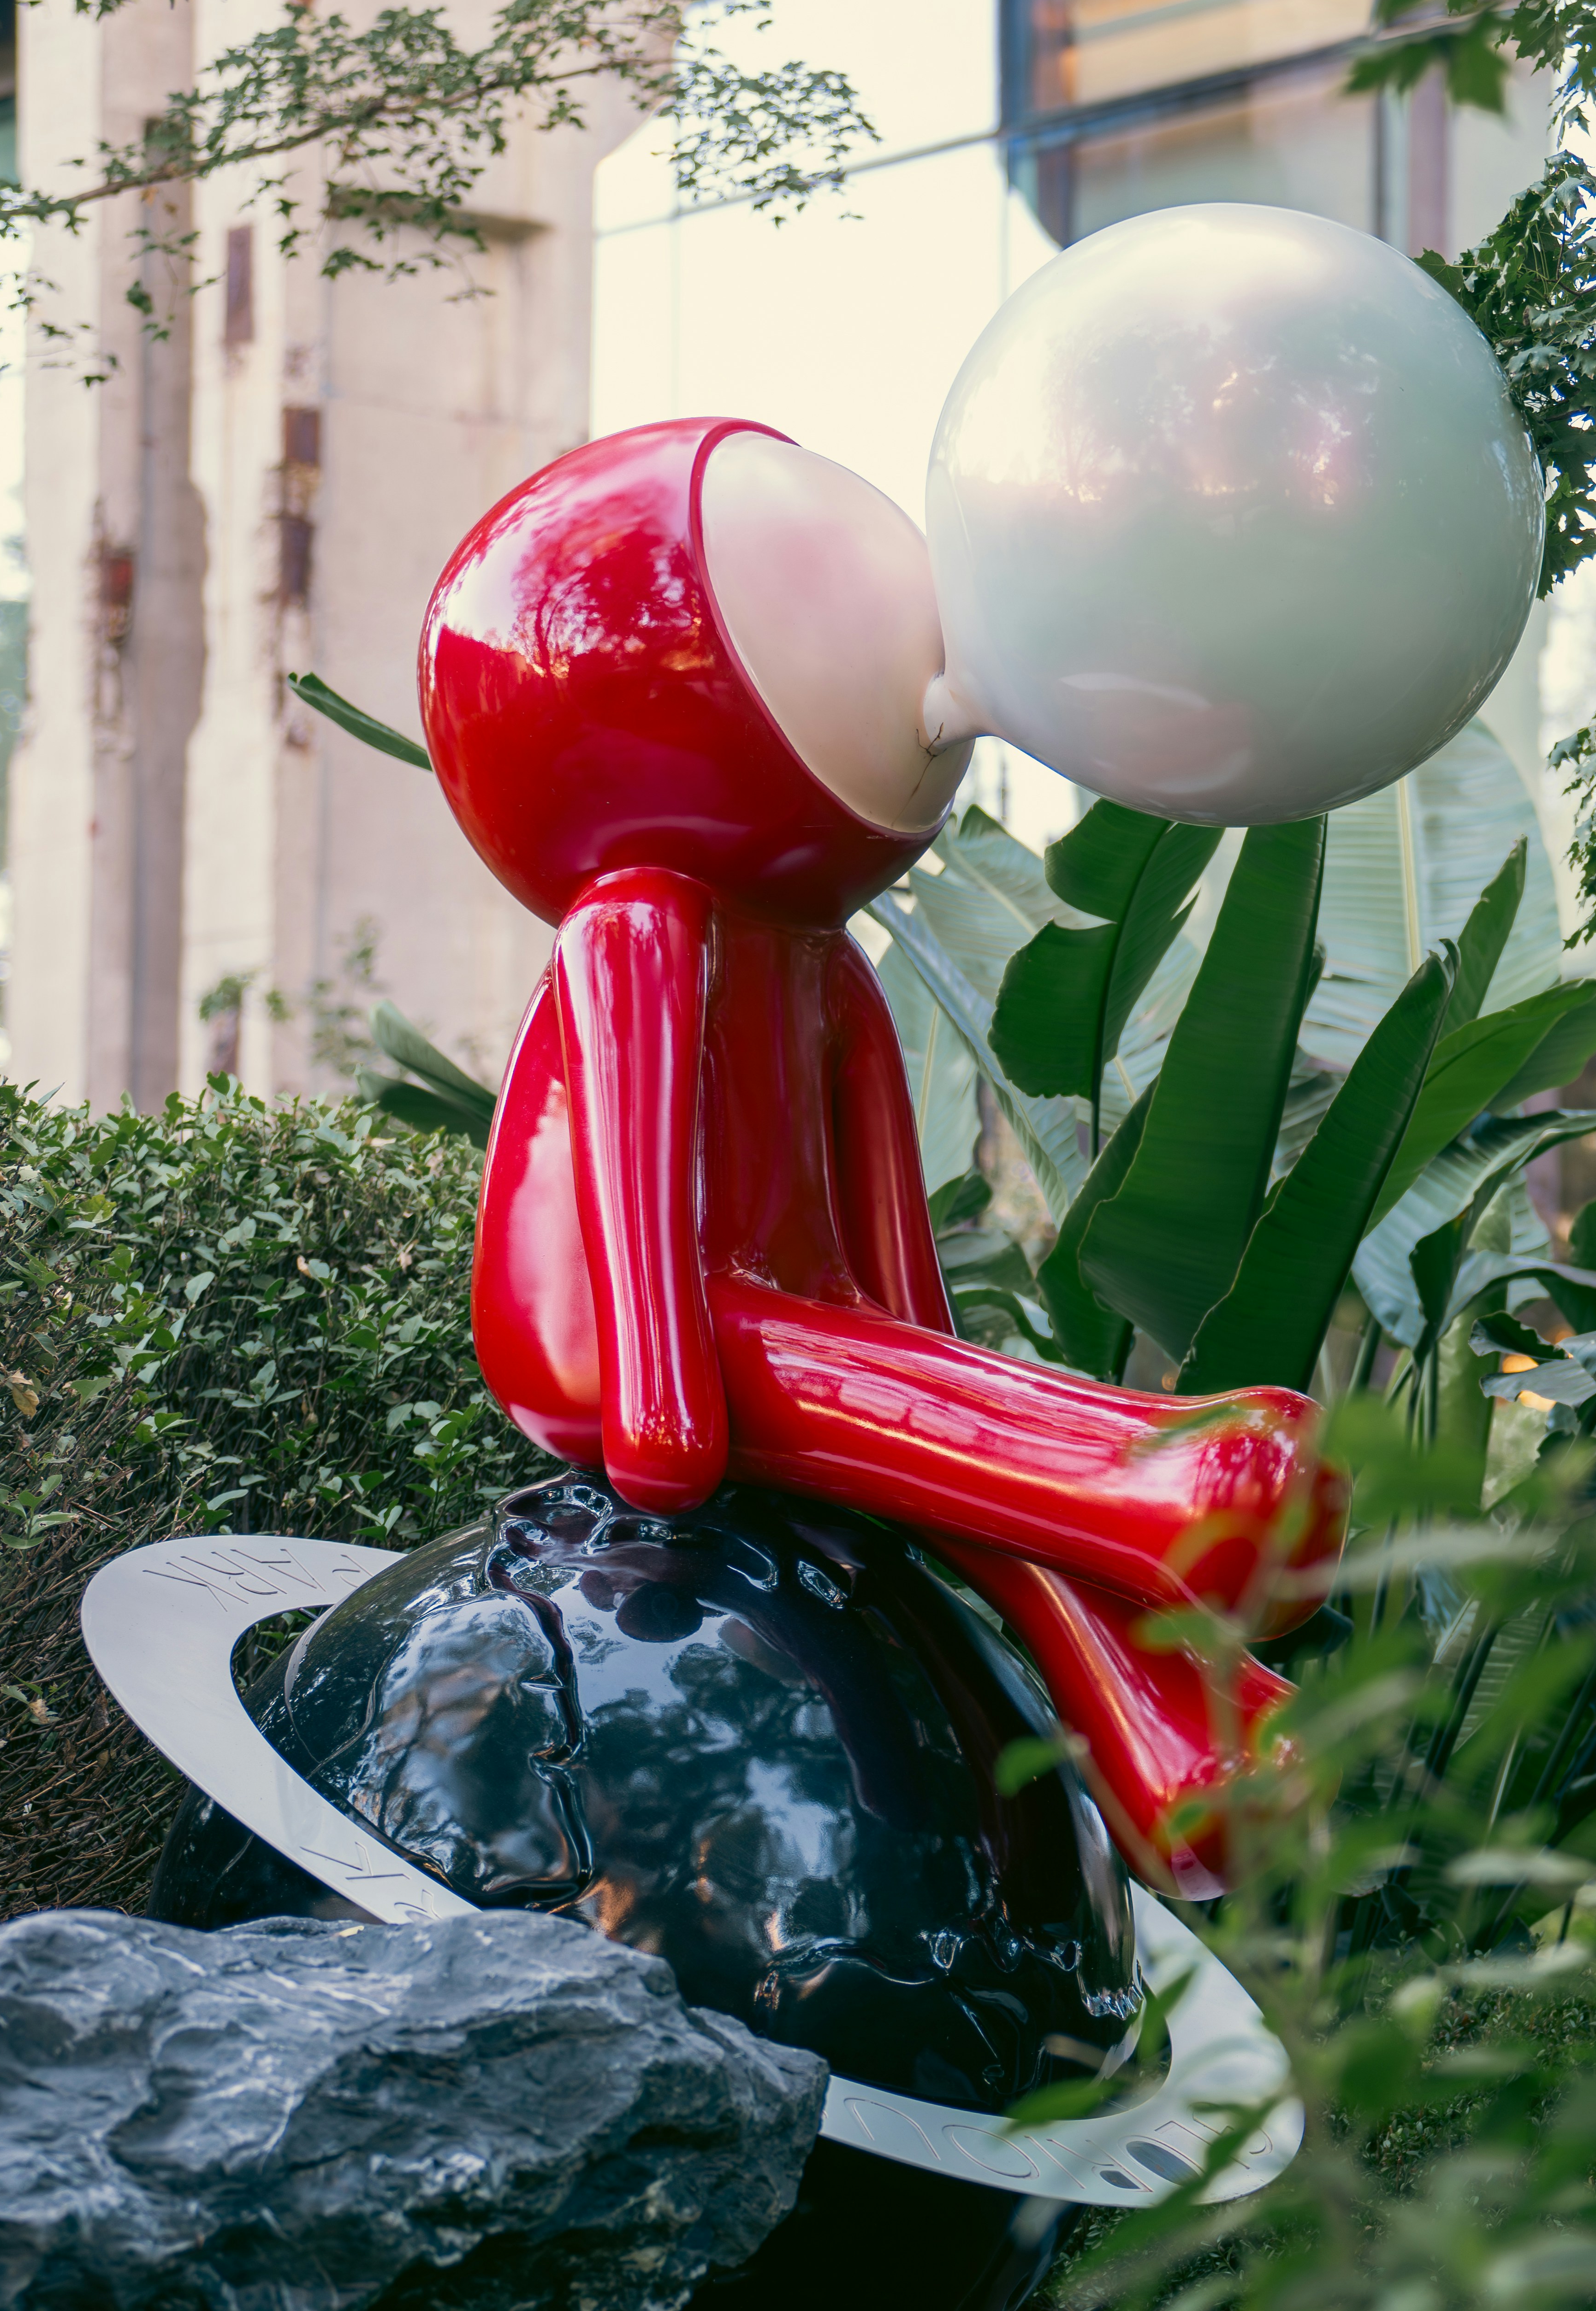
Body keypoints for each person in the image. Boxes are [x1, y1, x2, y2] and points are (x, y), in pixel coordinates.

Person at [419, 414, 1332, 1893]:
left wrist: (944, 1399)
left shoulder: (822, 966)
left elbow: (898, 1274)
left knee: (955, 1455)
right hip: (623, 1337)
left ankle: (1174, 1741)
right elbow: (633, 1212)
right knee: (954, 1434)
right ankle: (1164, 1489)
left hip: (786, 1325)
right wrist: (661, 1399)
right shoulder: (640, 925)